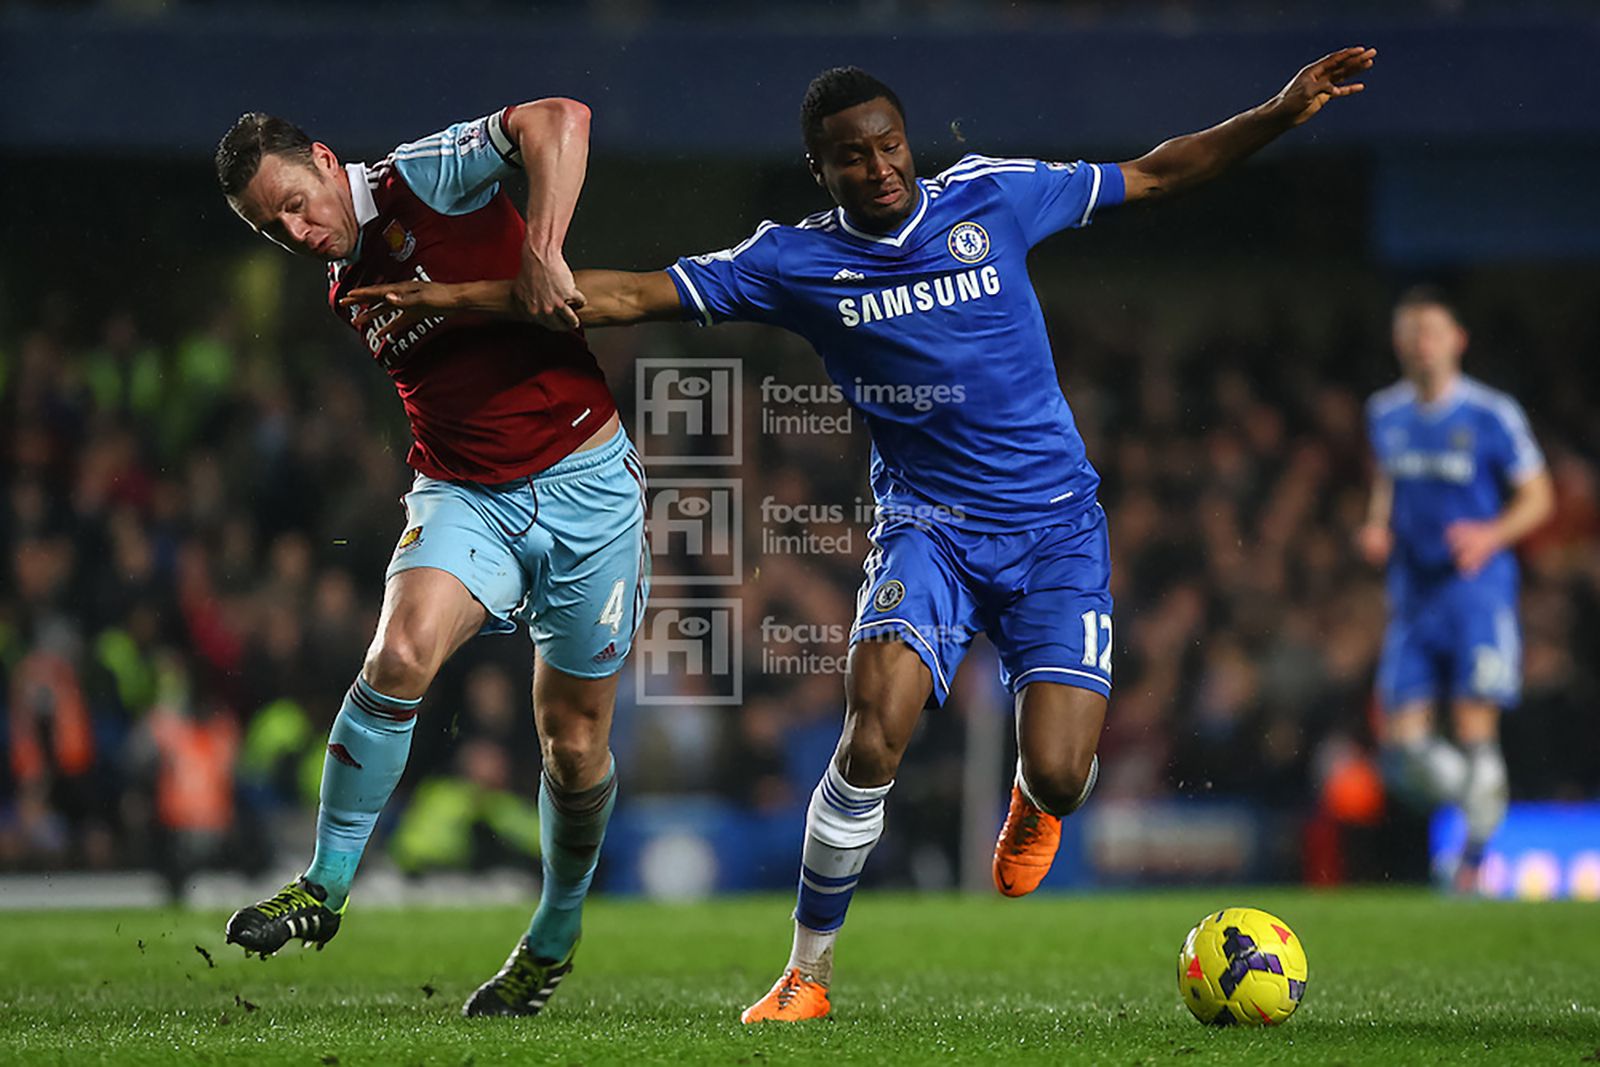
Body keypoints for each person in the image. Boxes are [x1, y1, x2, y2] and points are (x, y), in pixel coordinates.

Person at [346, 47, 1376, 1021]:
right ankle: (806, 972)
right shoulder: (794, 260)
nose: (878, 166)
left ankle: (1035, 795)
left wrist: (1281, 110)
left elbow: (1155, 176)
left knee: (1064, 769)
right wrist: (458, 297)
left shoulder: (991, 195)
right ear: (820, 166)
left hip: (1056, 528)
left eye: (888, 144)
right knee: (871, 725)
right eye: (853, 154)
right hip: (927, 529)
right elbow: (622, 295)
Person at [213, 99, 650, 1019]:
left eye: (295, 203)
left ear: (327, 160)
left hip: (588, 485)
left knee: (573, 749)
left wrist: (544, 249)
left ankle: (554, 934)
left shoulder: (422, 175)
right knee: (397, 657)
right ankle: (323, 887)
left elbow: (564, 118)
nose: (295, 233)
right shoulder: (345, 288)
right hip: (464, 495)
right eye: (271, 226)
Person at [1357, 287, 1553, 891]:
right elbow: (1386, 479)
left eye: (1432, 331)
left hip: (1475, 593)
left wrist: (1491, 534)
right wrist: (1376, 524)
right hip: (1413, 594)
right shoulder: (1385, 412)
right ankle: (1480, 805)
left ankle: (1469, 864)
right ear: (1399, 344)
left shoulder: (1492, 413)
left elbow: (1538, 496)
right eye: (1411, 332)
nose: (1422, 342)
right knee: (1403, 743)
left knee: (1473, 727)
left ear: (1457, 340)